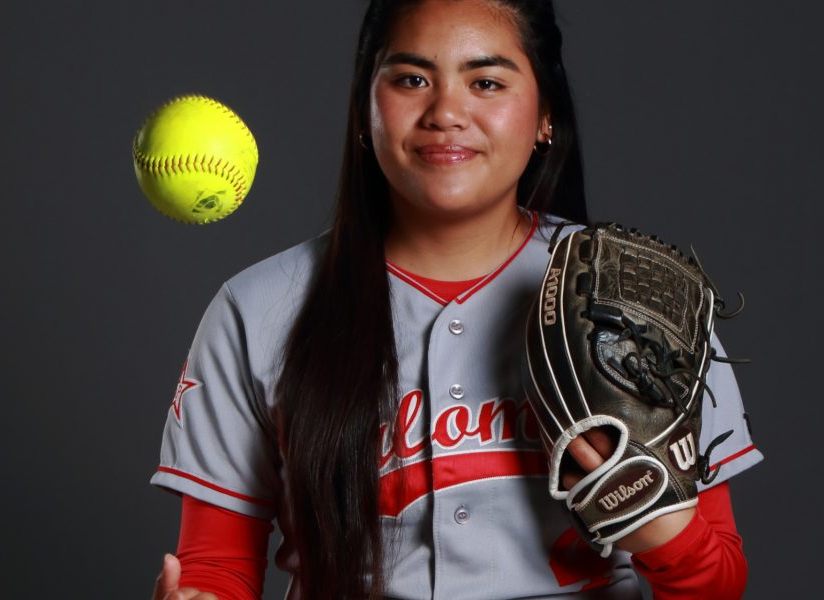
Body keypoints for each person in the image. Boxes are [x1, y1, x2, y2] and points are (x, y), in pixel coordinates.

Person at [149, 1, 763, 599]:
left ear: (545, 114)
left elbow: (717, 581)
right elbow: (217, 565)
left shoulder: (637, 298)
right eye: (412, 78)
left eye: (487, 82)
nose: (446, 111)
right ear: (366, 111)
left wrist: (665, 531)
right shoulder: (256, 308)